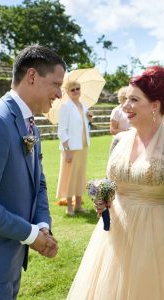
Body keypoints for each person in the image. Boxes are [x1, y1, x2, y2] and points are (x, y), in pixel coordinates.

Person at [67, 66, 164, 299]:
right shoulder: (119, 140)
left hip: (161, 237)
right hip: (116, 233)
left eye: (133, 99)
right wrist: (104, 197)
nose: (124, 106)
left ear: (155, 105)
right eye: (126, 99)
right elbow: (112, 182)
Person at [0, 45, 65, 299]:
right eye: (56, 84)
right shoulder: (0, 121)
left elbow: (38, 182)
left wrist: (42, 225)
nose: (60, 94)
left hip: (10, 263)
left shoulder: (32, 127)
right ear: (33, 76)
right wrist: (30, 234)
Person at [56, 80, 91, 216]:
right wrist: (67, 150)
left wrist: (89, 118)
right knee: (70, 177)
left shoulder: (84, 105)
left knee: (80, 176)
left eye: (78, 88)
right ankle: (69, 207)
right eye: (73, 90)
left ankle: (78, 205)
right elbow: (62, 131)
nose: (76, 91)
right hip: (71, 149)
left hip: (83, 146)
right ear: (68, 92)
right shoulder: (65, 107)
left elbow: (84, 125)